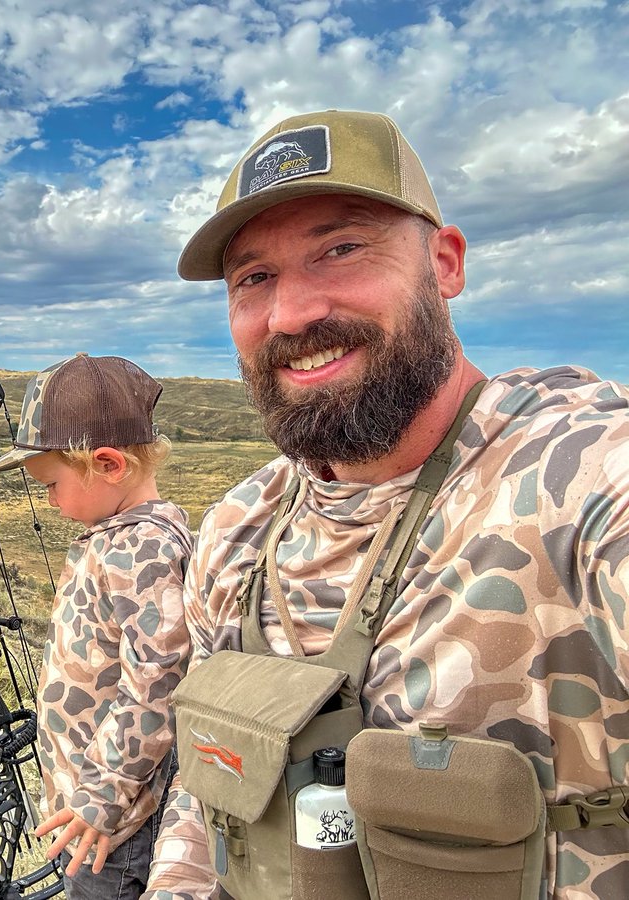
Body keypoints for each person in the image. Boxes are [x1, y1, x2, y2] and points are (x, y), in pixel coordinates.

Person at [143, 109, 628, 900]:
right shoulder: (238, 528)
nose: (290, 313)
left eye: (340, 249)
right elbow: (207, 796)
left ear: (444, 263)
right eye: (253, 279)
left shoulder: (576, 472)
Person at [0, 352, 193, 899]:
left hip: (116, 824)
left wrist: (100, 798)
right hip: (97, 810)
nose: (48, 500)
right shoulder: (116, 538)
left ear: (108, 465)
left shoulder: (143, 549)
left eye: (50, 483)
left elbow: (157, 686)